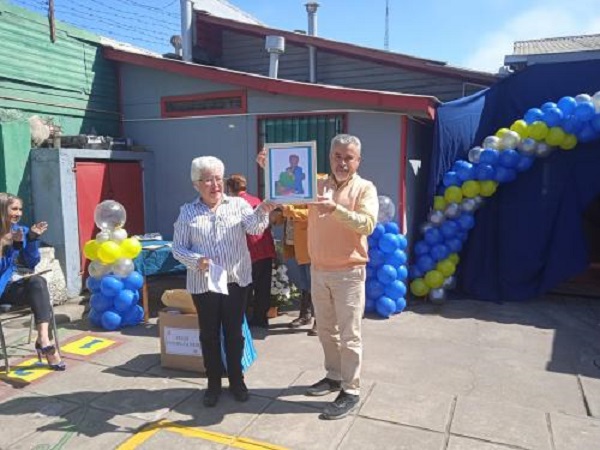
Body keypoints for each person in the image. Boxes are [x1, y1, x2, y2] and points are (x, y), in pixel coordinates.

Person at [258, 134, 378, 420]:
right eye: (337, 156)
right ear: (330, 157)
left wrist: (335, 209)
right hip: (319, 269)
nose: (342, 162)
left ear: (358, 161)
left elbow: (368, 224)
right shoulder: (318, 183)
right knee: (325, 330)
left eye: (348, 157)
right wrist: (269, 168)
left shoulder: (365, 188)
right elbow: (292, 199)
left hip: (349, 272)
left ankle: (351, 390)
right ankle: (334, 376)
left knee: (350, 335)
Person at [172, 156, 275, 408]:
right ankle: (213, 384)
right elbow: (177, 249)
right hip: (204, 284)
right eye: (208, 180)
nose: (215, 184)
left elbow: (254, 229)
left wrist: (263, 209)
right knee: (208, 335)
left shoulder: (238, 205)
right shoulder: (187, 212)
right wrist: (197, 260)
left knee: (234, 333)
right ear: (196, 184)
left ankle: (237, 381)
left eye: (218, 178)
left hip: (235, 281)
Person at [0, 193, 65, 371]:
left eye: (20, 209)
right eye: (14, 209)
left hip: (12, 286)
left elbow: (31, 262)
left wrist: (32, 240)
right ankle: (47, 348)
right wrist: (11, 246)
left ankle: (43, 339)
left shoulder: (21, 230)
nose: (18, 213)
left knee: (37, 281)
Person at [226, 174, 276, 329]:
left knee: (245, 287)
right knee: (263, 287)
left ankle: (243, 320)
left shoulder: (233, 204)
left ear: (229, 188)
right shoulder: (256, 201)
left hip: (249, 250)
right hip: (265, 248)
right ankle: (261, 318)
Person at [272, 204, 316, 335]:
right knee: (304, 283)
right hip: (296, 243)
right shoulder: (289, 191)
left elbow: (313, 214)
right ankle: (305, 315)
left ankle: (320, 321)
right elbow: (283, 217)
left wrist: (289, 210)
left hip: (309, 243)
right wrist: (277, 212)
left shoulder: (314, 186)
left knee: (314, 284)